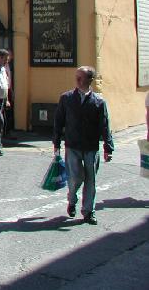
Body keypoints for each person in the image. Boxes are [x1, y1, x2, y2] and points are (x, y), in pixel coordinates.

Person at [53, 66, 114, 225]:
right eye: (77, 77)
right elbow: (58, 121)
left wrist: (108, 147)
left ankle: (88, 212)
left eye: (81, 77)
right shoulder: (66, 98)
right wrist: (56, 142)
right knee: (75, 177)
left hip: (91, 146)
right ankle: (72, 199)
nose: (78, 80)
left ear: (90, 80)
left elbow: (105, 125)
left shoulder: (98, 102)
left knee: (90, 180)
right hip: (72, 145)